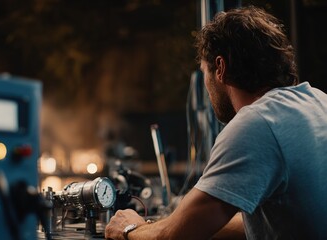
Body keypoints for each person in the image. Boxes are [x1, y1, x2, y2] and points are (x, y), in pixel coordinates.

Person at [105, 5, 327, 240]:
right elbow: (259, 219)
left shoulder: (256, 123)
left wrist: (130, 229)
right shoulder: (318, 101)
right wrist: (185, 224)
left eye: (205, 73)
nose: (207, 89)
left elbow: (171, 238)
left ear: (220, 68)